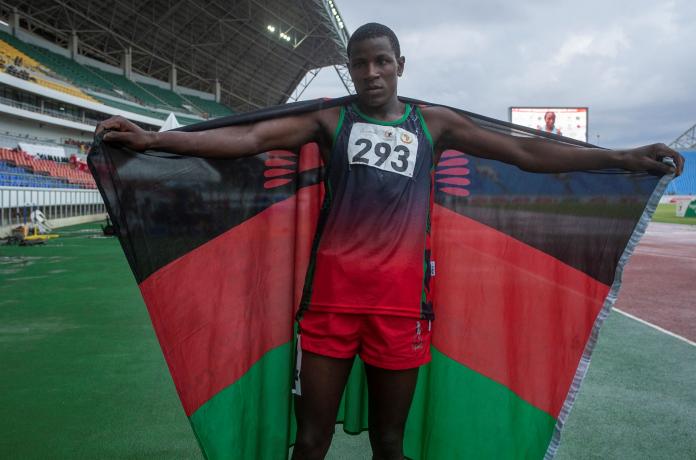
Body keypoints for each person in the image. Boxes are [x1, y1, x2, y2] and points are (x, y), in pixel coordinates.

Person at [96, 23, 684, 460]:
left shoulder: (434, 124)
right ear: (351, 69)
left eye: (381, 62)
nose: (371, 73)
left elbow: (526, 152)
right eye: (360, 64)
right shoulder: (330, 121)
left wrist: (617, 155)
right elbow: (249, 136)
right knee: (308, 442)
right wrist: (153, 142)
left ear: (400, 63)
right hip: (328, 306)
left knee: (390, 445)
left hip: (403, 310)